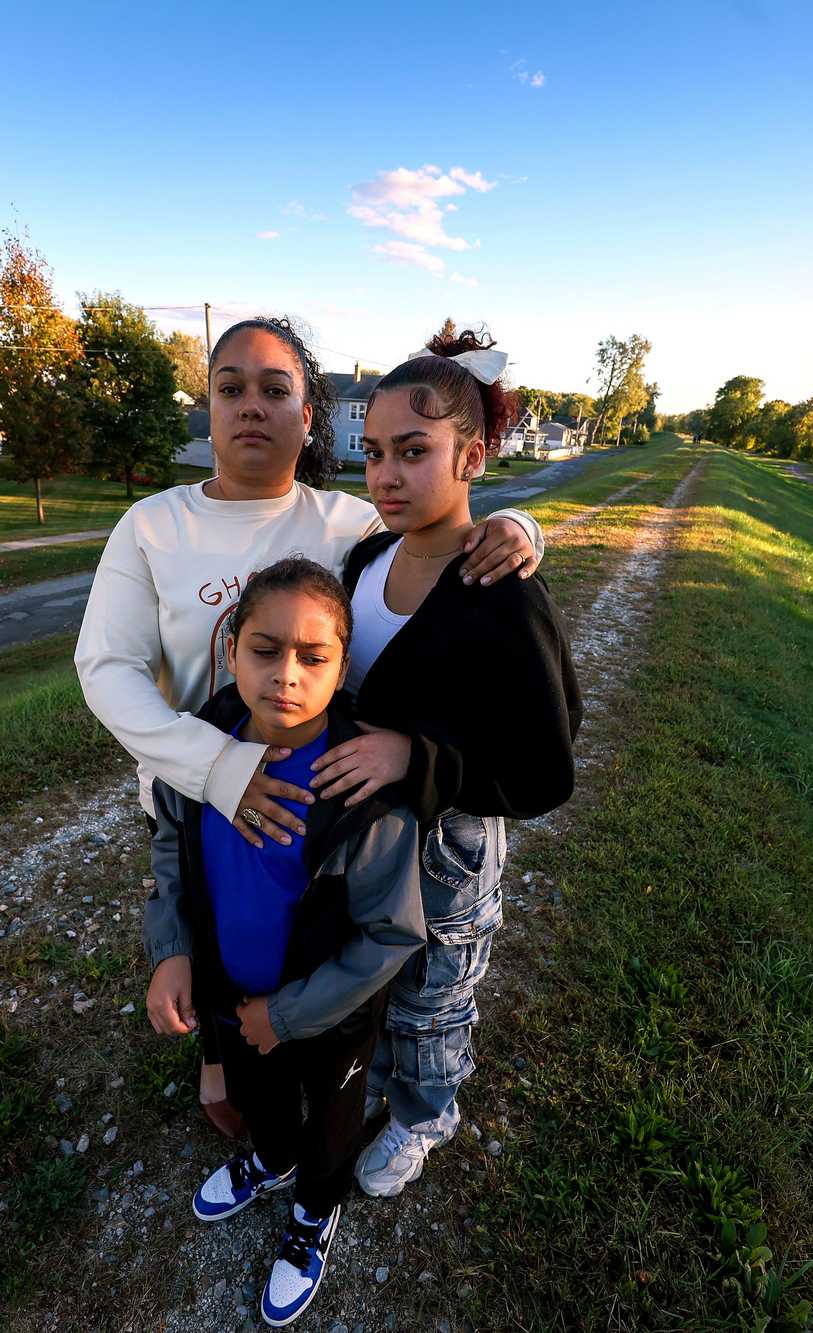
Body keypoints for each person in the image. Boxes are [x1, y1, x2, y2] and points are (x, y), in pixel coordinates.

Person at [75, 317, 545, 1137]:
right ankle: (222, 1053)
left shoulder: (345, 524)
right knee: (215, 928)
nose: (250, 406)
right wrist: (217, 766)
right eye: (230, 388)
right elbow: (106, 669)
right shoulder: (151, 526)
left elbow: (439, 541)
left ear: (309, 416)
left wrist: (520, 530)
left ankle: (323, 1087)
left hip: (314, 804)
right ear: (209, 407)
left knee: (302, 944)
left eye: (275, 389)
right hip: (196, 792)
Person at [303, 327, 581, 1199]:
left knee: (435, 989)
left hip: (450, 845)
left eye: (414, 452)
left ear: (473, 456)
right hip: (368, 833)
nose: (384, 474)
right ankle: (378, 1073)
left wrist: (416, 756)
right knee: (374, 969)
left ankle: (427, 1113)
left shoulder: (501, 589)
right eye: (374, 450)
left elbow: (545, 769)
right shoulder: (364, 559)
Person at [143, 558, 425, 1327]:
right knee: (259, 1095)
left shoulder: (362, 792)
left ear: (343, 663)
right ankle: (271, 1156)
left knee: (331, 1118)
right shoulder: (198, 743)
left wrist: (291, 1013)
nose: (286, 676)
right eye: (265, 649)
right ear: (231, 647)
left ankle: (313, 1210)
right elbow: (170, 841)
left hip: (326, 1013)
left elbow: (392, 933)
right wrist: (170, 946)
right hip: (229, 991)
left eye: (313, 656)